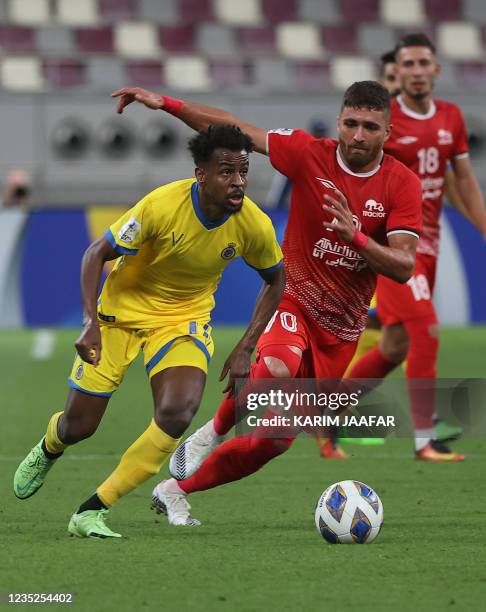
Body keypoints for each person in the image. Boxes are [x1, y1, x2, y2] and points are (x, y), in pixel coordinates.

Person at [111, 80, 423, 525]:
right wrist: (167, 104)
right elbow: (235, 129)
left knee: (271, 441)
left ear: (387, 132)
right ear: (339, 122)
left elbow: (404, 266)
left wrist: (354, 236)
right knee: (276, 367)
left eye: (369, 127)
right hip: (295, 300)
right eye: (350, 123)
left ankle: (175, 489)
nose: (357, 134)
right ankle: (213, 431)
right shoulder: (307, 153)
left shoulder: (402, 185)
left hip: (342, 332)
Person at [13, 125, 285, 536]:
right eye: (226, 172)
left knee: (178, 412)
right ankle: (51, 445)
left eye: (244, 171)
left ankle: (93, 509)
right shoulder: (162, 205)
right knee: (79, 425)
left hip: (183, 320)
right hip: (119, 315)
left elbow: (276, 279)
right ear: (201, 174)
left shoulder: (253, 224)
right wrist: (90, 324)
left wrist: (247, 344)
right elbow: (96, 253)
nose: (238, 182)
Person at [347, 33, 486, 461]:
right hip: (392, 248)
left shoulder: (451, 118)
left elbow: (459, 179)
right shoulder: (384, 123)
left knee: (395, 346)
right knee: (425, 329)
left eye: (424, 63)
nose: (417, 71)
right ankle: (425, 440)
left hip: (432, 246)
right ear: (398, 72)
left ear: (436, 70)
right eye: (408, 64)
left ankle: (328, 406)